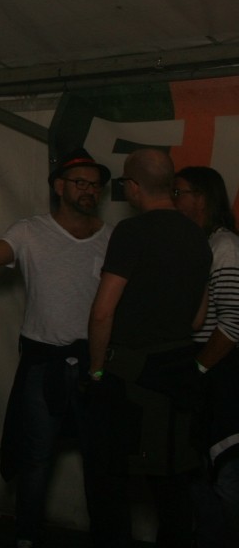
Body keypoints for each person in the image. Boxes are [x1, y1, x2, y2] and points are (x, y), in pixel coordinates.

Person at [0, 148, 112, 547]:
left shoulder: (112, 237)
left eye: (95, 185)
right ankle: (27, 538)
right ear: (59, 187)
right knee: (35, 458)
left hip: (96, 364)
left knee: (101, 462)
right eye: (81, 183)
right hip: (44, 363)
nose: (89, 191)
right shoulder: (30, 231)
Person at [86, 148, 211, 547]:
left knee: (108, 481)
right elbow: (197, 319)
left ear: (134, 186)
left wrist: (96, 370)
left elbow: (103, 312)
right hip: (178, 372)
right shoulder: (198, 235)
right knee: (171, 483)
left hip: (131, 377)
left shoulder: (132, 232)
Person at [172, 166, 239, 543]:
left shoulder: (224, 246)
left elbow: (234, 322)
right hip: (207, 371)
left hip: (222, 372)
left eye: (179, 192)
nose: (174, 200)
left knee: (227, 477)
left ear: (202, 197)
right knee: (199, 476)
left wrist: (198, 368)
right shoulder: (204, 245)